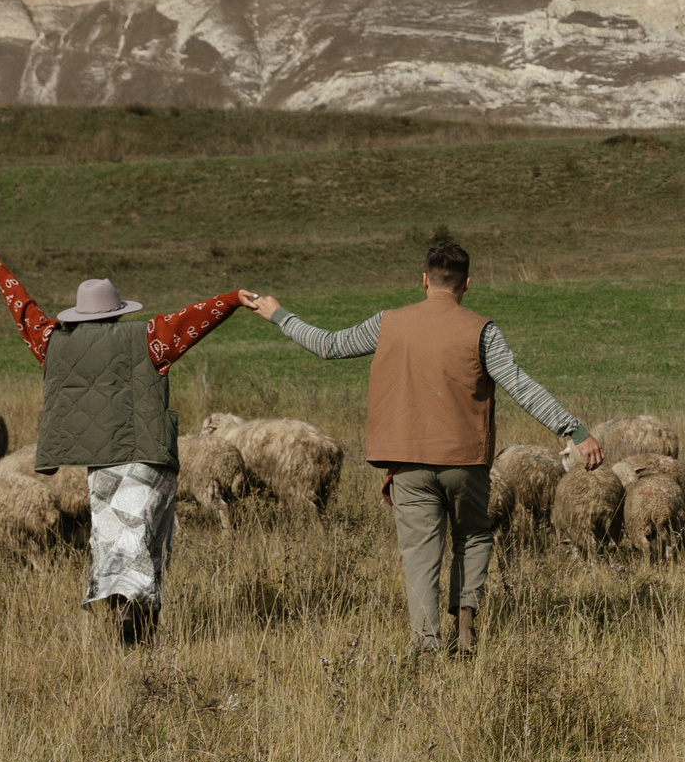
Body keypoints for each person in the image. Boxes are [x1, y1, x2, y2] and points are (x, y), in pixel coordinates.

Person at [240, 238, 601, 656]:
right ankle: (465, 631)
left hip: (408, 464)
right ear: (467, 283)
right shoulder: (482, 330)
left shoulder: (388, 322)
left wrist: (278, 313)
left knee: (420, 554)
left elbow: (328, 345)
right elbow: (521, 385)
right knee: (473, 536)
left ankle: (426, 647)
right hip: (465, 462)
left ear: (424, 280)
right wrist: (573, 429)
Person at [0, 234, 240, 646]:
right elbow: (196, 317)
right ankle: (138, 633)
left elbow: (24, 312)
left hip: (102, 467)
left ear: (78, 315)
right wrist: (235, 298)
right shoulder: (148, 337)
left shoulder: (54, 344)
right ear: (116, 314)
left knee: (115, 546)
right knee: (145, 545)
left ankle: (129, 630)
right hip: (150, 461)